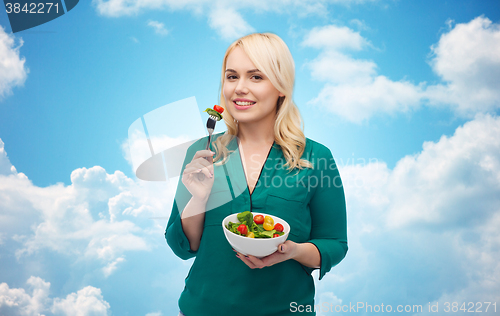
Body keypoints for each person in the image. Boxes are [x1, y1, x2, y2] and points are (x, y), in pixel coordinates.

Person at [165, 32, 347, 316]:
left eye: (256, 77)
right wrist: (198, 200)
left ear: (281, 87)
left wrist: (293, 251)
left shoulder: (315, 158)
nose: (240, 88)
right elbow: (184, 246)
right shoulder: (203, 153)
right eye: (232, 76)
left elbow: (334, 244)